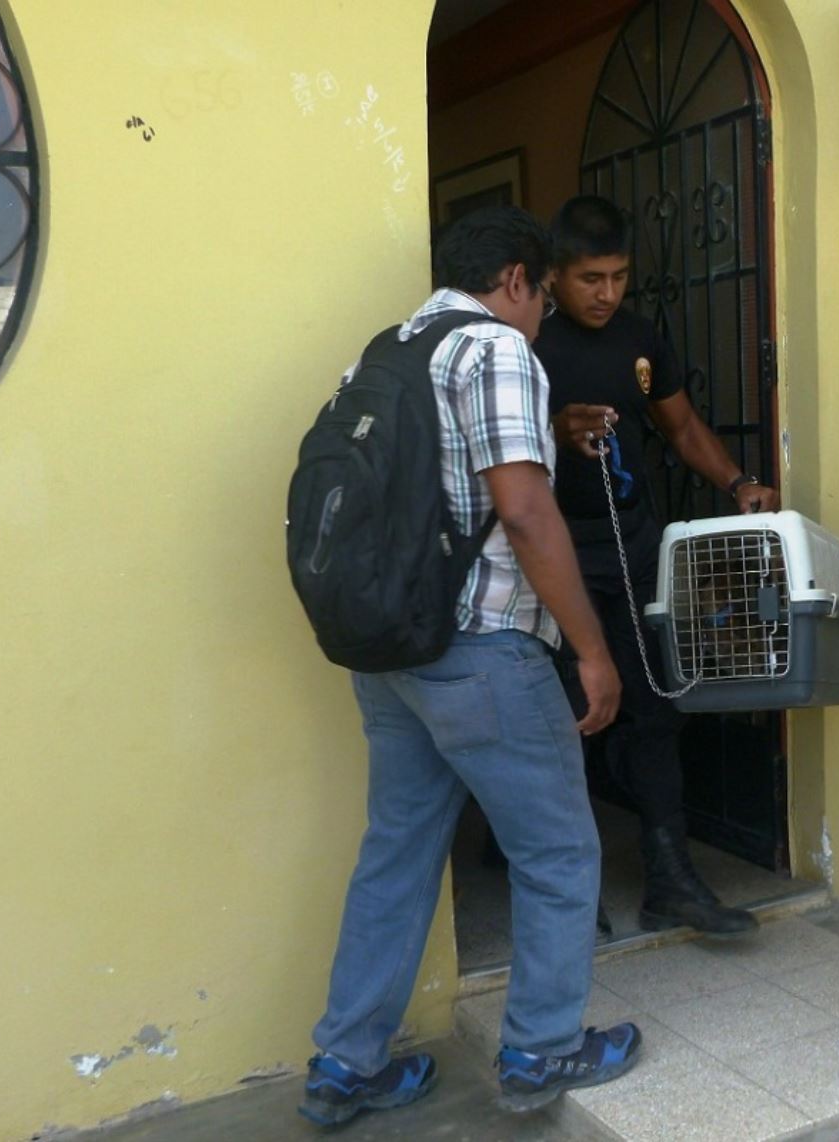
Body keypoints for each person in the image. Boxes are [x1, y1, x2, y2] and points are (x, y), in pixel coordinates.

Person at [302, 206, 641, 1126]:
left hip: (392, 653)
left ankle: (345, 1062)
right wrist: (593, 650)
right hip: (482, 649)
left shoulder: (386, 351)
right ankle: (540, 1048)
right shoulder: (494, 352)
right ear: (521, 280)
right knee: (562, 849)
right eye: (542, 297)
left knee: (400, 852)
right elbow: (526, 513)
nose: (542, 320)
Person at [532, 194, 777, 938]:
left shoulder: (640, 340)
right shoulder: (524, 343)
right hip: (551, 554)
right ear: (550, 278)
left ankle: (669, 877)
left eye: (618, 277)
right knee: (561, 716)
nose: (607, 294)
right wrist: (552, 428)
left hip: (631, 547)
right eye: (589, 279)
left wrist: (737, 483)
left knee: (654, 710)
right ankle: (557, 887)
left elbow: (681, 426)